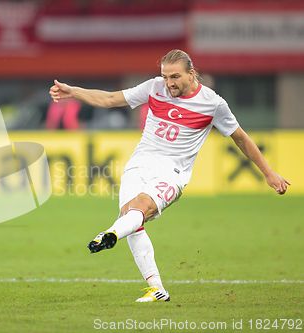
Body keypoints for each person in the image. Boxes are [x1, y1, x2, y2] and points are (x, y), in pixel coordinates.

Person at [49, 49, 290, 302]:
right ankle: (156, 288)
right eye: (165, 76)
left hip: (173, 172)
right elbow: (110, 99)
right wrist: (73, 91)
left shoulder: (213, 104)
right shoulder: (154, 87)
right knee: (130, 219)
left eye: (175, 77)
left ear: (191, 73)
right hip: (139, 164)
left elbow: (240, 138)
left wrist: (268, 172)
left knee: (140, 208)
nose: (169, 83)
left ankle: (109, 234)